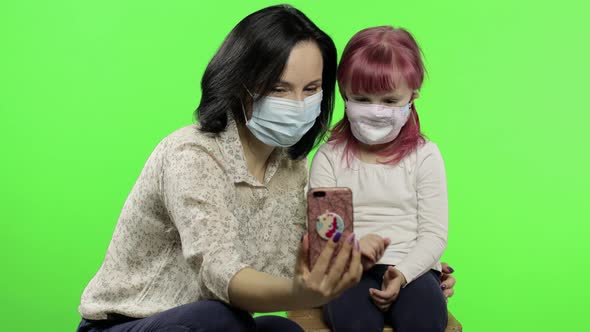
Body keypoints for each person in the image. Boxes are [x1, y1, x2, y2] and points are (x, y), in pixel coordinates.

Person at [76, 5, 363, 332]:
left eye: (310, 89)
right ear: (240, 85)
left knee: (282, 330)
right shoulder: (192, 153)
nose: (298, 103)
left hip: (224, 322)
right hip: (130, 323)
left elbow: (299, 265)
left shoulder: (293, 166)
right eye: (279, 88)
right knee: (216, 318)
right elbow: (220, 274)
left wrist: (389, 265)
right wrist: (302, 294)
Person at [310, 26, 450, 331]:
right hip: (349, 269)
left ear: (412, 97)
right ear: (344, 93)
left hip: (412, 267)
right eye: (362, 98)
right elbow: (326, 234)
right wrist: (355, 256)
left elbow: (434, 234)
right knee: (353, 322)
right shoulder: (329, 157)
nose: (375, 110)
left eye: (389, 101)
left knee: (425, 319)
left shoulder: (424, 156)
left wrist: (402, 272)